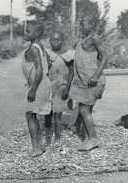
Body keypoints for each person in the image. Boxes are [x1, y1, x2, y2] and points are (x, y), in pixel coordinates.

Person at [69, 10, 108, 151]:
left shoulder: (94, 38)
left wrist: (96, 75)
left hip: (93, 80)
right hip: (85, 80)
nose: (80, 25)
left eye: (83, 23)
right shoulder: (83, 39)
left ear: (92, 24)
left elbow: (105, 57)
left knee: (84, 109)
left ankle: (93, 139)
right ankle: (86, 137)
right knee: (85, 108)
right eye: (79, 23)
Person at [22, 21, 52, 157]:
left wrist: (34, 88)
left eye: (28, 31)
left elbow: (39, 69)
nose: (25, 33)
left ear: (37, 33)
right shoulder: (40, 46)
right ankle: (39, 145)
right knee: (32, 115)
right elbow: (49, 63)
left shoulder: (34, 48)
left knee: (30, 115)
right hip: (42, 82)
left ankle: (36, 147)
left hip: (38, 84)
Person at [45, 31, 75, 144]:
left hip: (61, 87)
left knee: (57, 114)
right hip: (49, 87)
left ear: (63, 40)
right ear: (49, 40)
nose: (56, 42)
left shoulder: (67, 55)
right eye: (53, 39)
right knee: (47, 113)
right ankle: (48, 136)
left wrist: (67, 88)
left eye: (58, 39)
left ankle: (57, 137)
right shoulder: (47, 54)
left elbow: (71, 71)